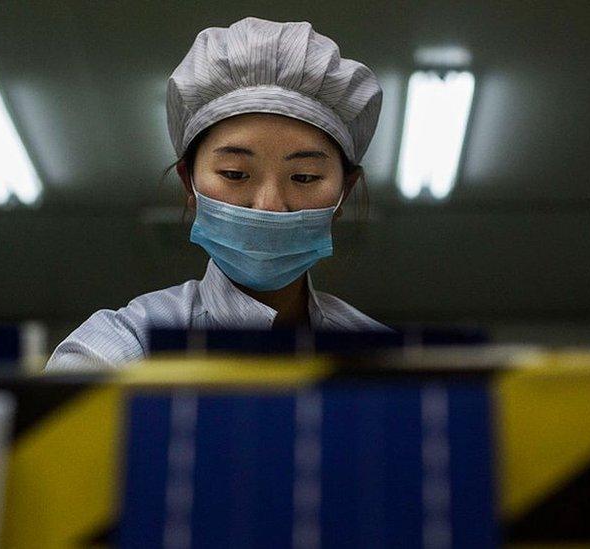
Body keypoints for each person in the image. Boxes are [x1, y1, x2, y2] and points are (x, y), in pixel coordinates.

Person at [46, 16, 389, 371]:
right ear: (188, 184)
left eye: (304, 177)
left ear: (343, 194)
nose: (269, 205)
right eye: (234, 174)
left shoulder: (384, 362)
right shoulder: (125, 345)